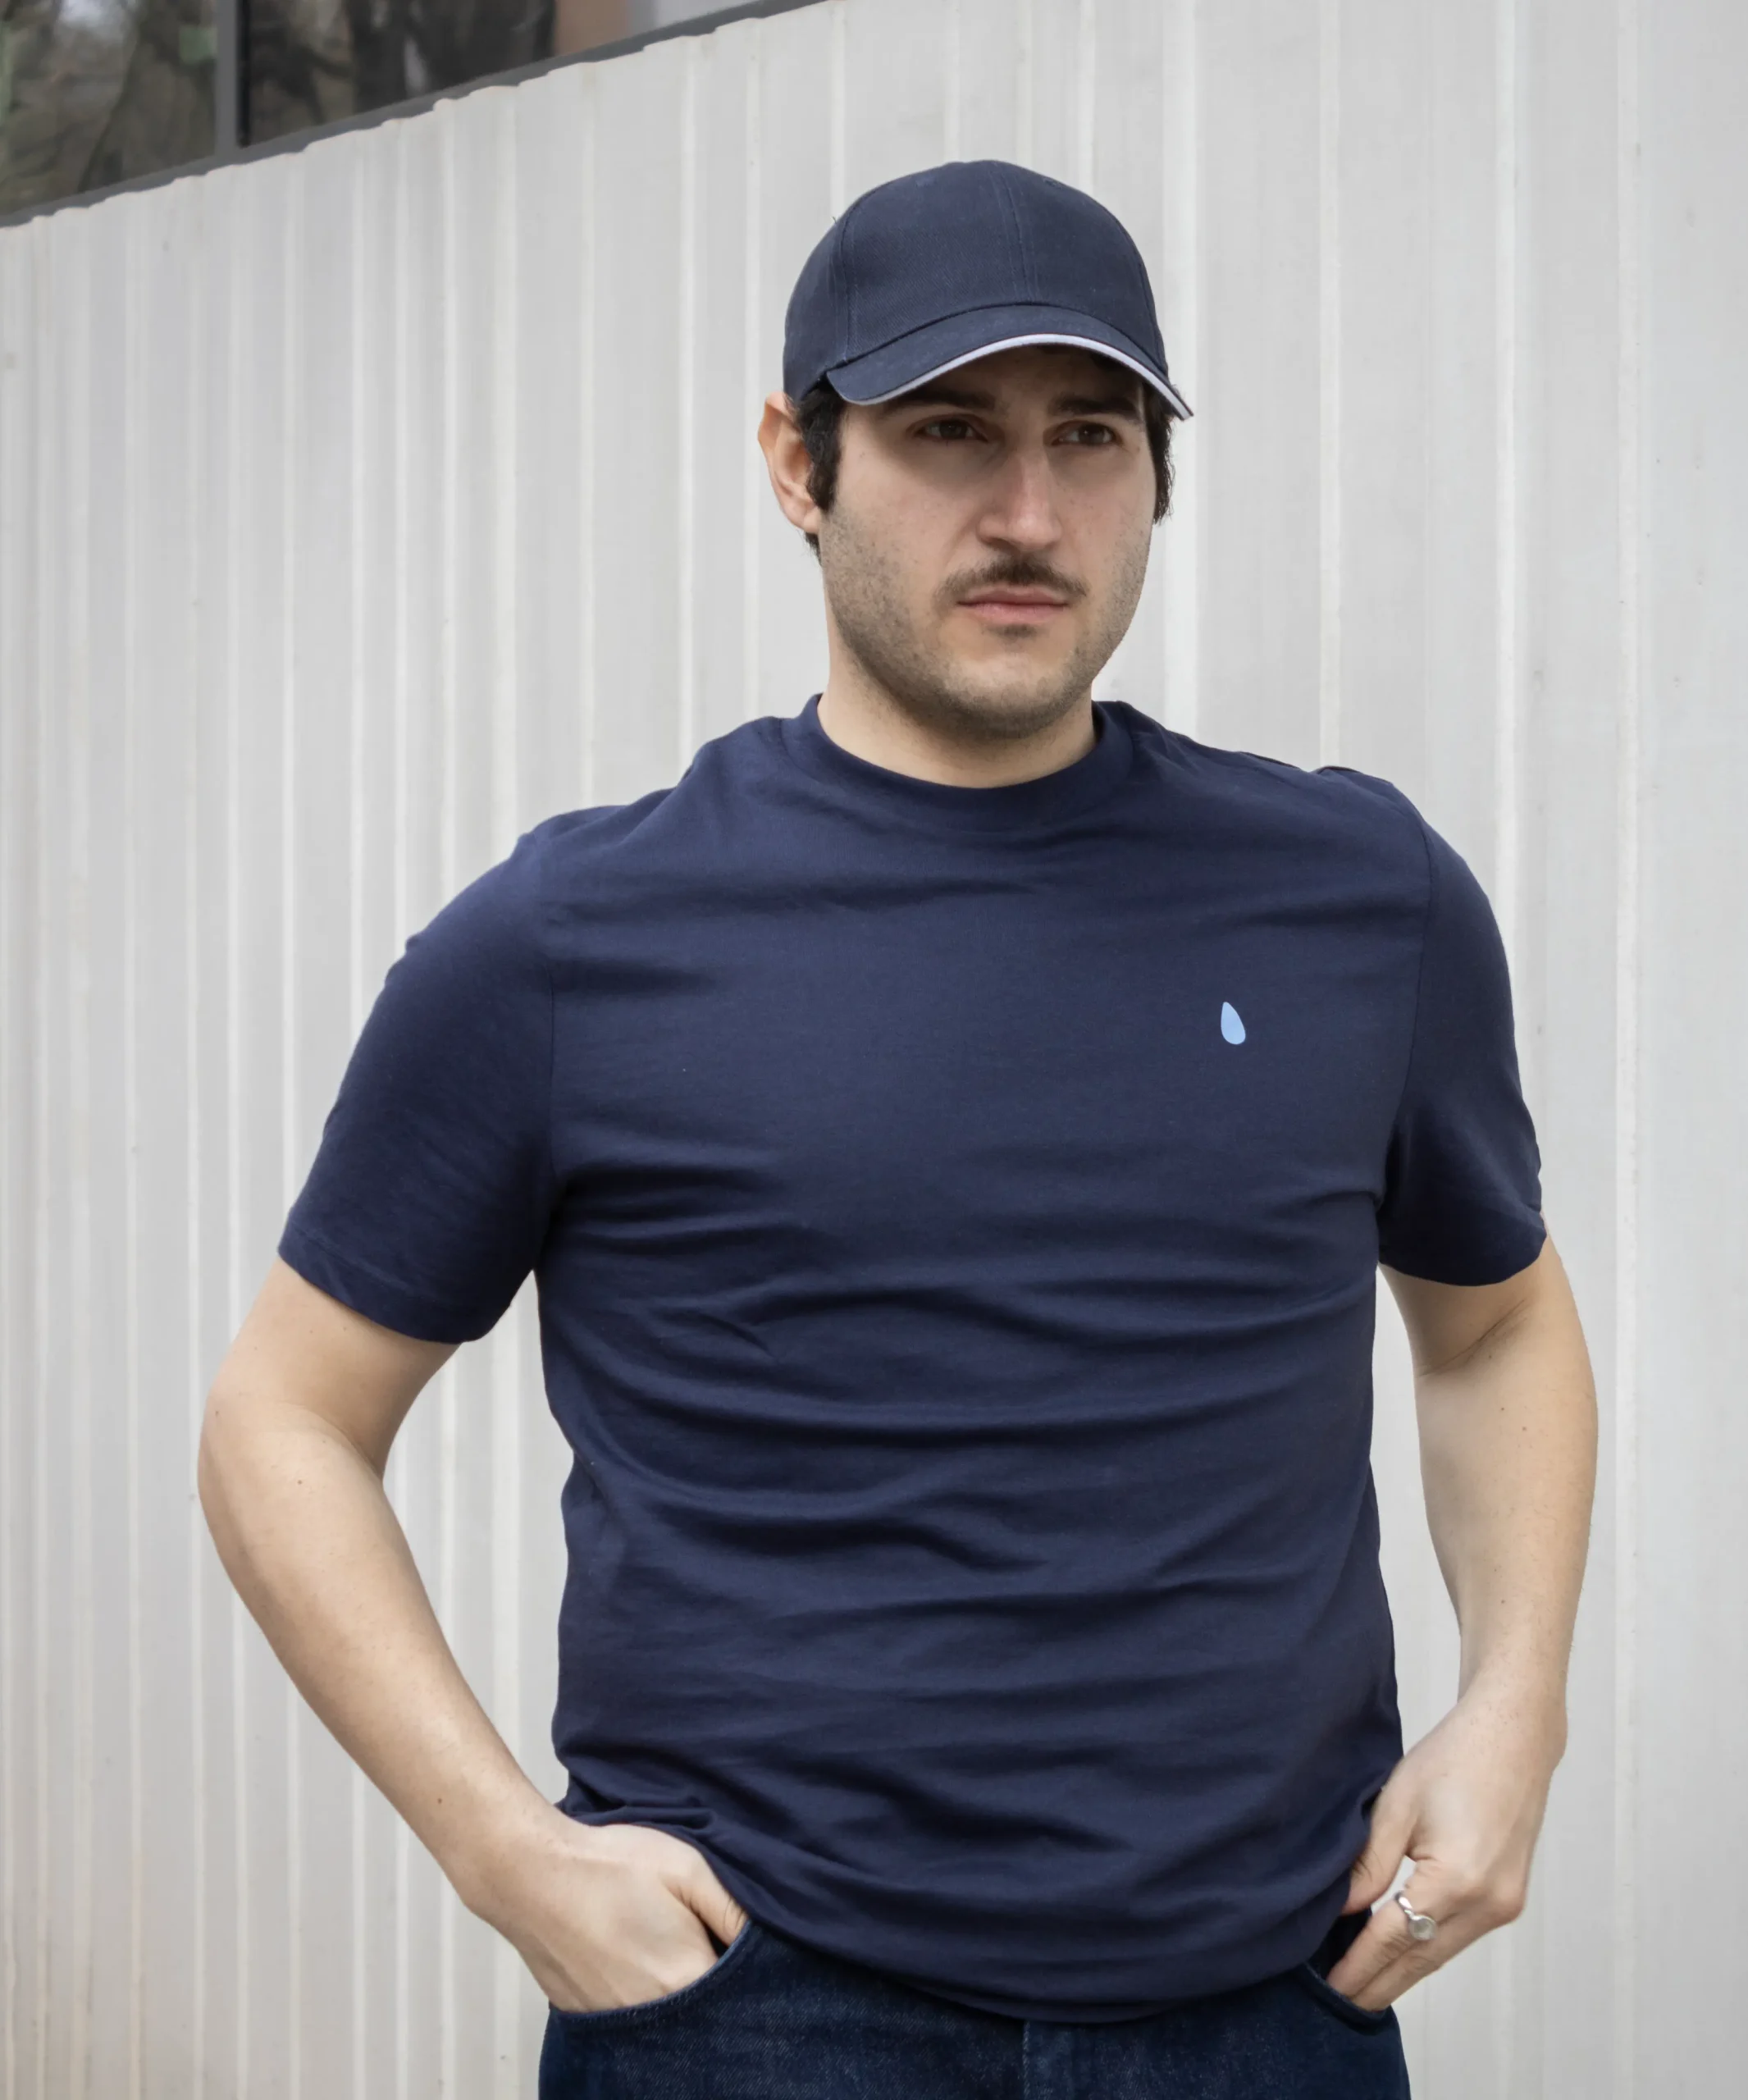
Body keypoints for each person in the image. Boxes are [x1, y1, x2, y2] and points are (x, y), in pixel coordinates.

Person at [198, 158, 1597, 2099]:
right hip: (765, 2010)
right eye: (947, 432)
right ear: (800, 460)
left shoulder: (1361, 897)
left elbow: (1496, 1318)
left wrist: (1512, 1705)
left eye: (1087, 437)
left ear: (1156, 476)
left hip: (1269, 2001)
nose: (1028, 514)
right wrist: (501, 1846)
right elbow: (283, 1417)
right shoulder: (574, 942)